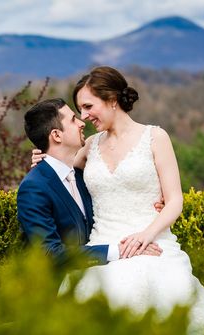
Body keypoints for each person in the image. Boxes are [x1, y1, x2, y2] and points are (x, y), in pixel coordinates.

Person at [30, 67, 204, 335]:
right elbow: (58, 168)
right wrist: (40, 159)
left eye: (88, 106)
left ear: (112, 100)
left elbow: (175, 200)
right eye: (79, 110)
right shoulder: (90, 146)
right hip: (103, 246)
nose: (84, 116)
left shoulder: (155, 138)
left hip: (152, 242)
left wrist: (145, 236)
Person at [18, 98, 163, 267]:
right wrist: (118, 251)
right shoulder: (34, 188)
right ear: (56, 135)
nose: (81, 123)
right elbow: (50, 253)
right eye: (73, 119)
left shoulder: (83, 176)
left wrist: (156, 201)